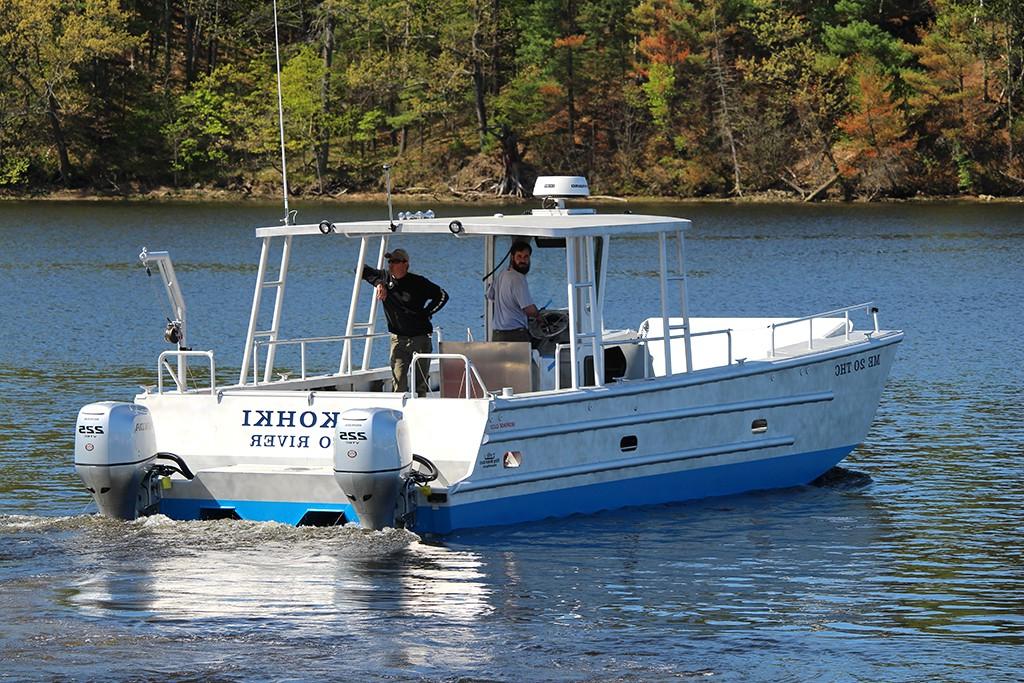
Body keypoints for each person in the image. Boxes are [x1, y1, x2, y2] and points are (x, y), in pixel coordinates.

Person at [361, 248, 448, 396]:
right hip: (398, 340)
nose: (390, 264)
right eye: (389, 261)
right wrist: (379, 283)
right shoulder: (384, 277)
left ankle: (419, 413)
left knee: (420, 385)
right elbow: (360, 269)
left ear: (405, 264)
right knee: (399, 383)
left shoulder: (418, 282)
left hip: (421, 338)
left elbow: (442, 296)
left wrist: (427, 312)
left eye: (394, 261)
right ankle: (400, 415)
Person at [488, 240, 539, 343]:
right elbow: (528, 309)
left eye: (526, 257)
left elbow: (489, 295)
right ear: (512, 257)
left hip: (497, 335)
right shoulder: (518, 278)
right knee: (528, 359)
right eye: (519, 256)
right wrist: (538, 316)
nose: (522, 261)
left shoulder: (502, 273)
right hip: (515, 335)